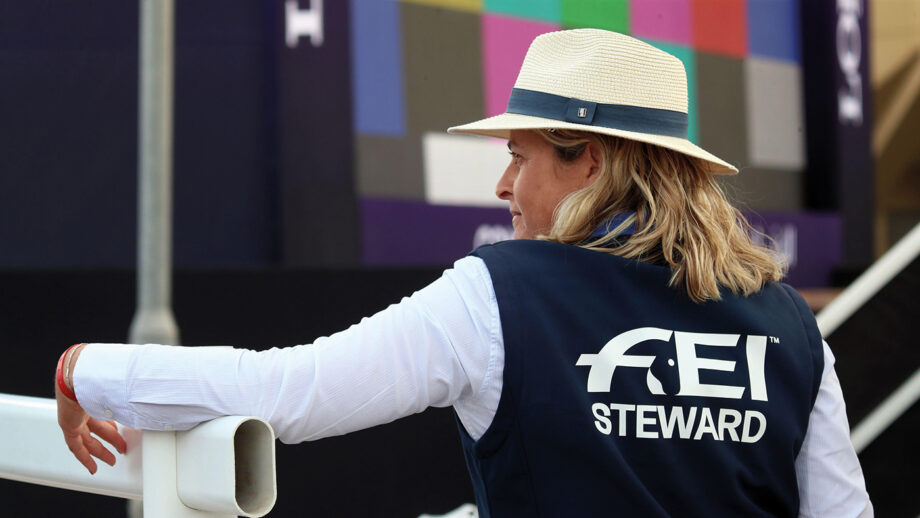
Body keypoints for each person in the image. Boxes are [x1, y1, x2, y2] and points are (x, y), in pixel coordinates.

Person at [55, 29, 872, 516]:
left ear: (586, 158)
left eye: (518, 156)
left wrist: (86, 369)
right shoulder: (789, 324)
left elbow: (284, 392)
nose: (503, 185)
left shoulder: (500, 295)